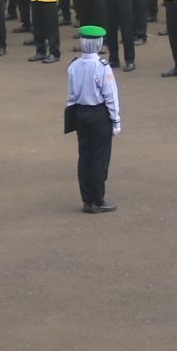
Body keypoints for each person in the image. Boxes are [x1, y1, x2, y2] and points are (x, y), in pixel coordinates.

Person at [63, 25, 121, 212]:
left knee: (85, 156)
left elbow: (71, 95)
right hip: (98, 115)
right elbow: (111, 96)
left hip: (81, 113)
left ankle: (87, 200)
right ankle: (98, 200)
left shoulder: (73, 65)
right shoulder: (102, 67)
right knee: (99, 158)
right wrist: (116, 120)